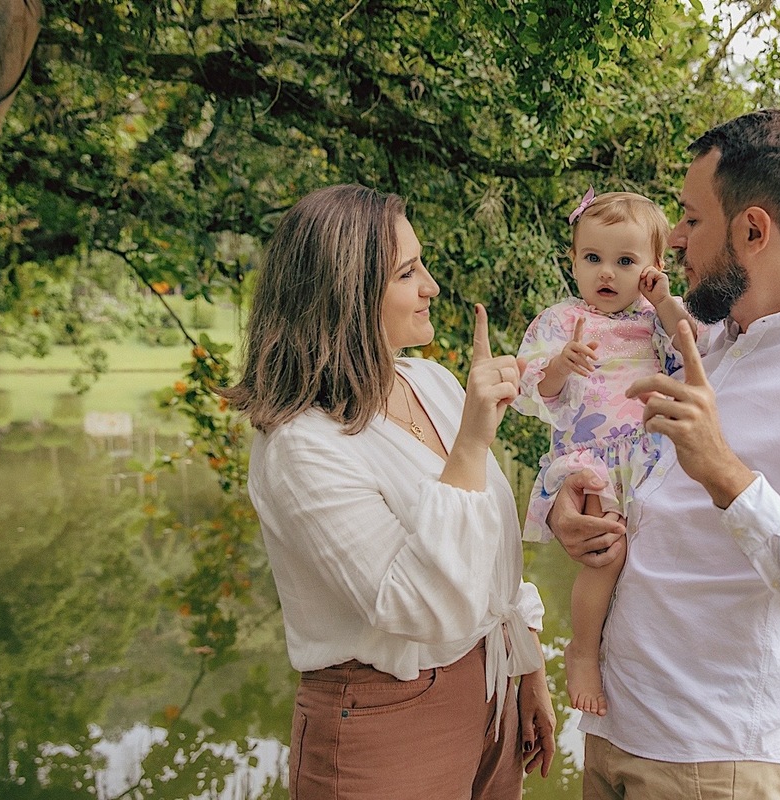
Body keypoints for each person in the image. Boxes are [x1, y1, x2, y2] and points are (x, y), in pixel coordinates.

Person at [546, 110, 780, 799]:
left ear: (752, 231)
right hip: (611, 730)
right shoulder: (704, 338)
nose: (674, 239)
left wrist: (725, 473)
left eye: (691, 219)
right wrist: (572, 516)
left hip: (708, 764)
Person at [220, 184, 557, 800]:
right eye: (408, 272)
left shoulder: (430, 381)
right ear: (346, 294)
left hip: (491, 687)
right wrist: (470, 445)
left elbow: (488, 550)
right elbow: (417, 607)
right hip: (387, 714)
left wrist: (526, 666)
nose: (432, 286)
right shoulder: (301, 445)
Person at [511, 189, 698, 717]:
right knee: (606, 553)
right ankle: (583, 651)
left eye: (626, 262)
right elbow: (532, 391)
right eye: (592, 258)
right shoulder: (560, 321)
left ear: (653, 269)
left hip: (648, 454)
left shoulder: (654, 319)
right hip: (588, 457)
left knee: (650, 552)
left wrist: (663, 301)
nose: (607, 273)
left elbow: (693, 349)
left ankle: (653, 658)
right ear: (573, 260)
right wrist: (561, 366)